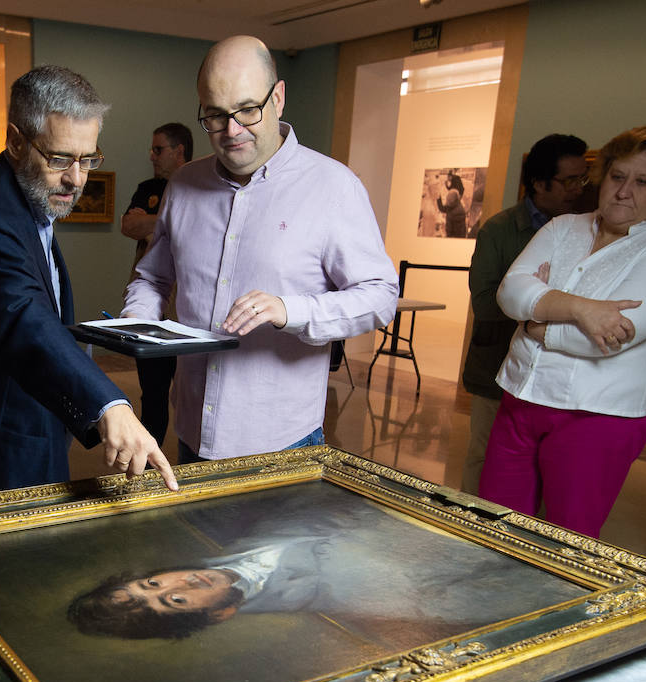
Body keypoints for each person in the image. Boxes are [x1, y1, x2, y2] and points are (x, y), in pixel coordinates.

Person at [123, 36, 397, 463]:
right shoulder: (183, 185)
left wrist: (292, 310)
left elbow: (381, 296)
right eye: (215, 115)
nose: (232, 131)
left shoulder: (334, 186)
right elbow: (153, 277)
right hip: (193, 430)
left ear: (279, 97)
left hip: (283, 440)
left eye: (248, 110)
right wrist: (137, 320)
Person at [0, 66, 177, 498]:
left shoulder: (26, 200)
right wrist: (110, 405)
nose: (77, 178)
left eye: (88, 159)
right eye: (59, 159)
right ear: (16, 140)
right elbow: (24, 318)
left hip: (33, 424)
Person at [478, 126, 646, 538]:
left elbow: (611, 339)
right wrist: (581, 308)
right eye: (617, 176)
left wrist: (536, 320)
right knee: (493, 529)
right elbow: (510, 292)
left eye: (643, 182)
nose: (624, 191)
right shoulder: (562, 228)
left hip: (598, 415)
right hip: (521, 398)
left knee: (566, 540)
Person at [66, 482, 583, 642]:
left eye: (152, 581)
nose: (179, 581)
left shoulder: (231, 524)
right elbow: (549, 594)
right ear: (218, 614)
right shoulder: (357, 595)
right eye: (175, 599)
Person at [460, 133, 589, 494]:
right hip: (496, 367)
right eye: (569, 180)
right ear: (538, 183)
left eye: (583, 178)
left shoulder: (585, 232)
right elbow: (484, 304)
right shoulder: (500, 230)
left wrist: (539, 300)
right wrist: (541, 302)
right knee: (485, 459)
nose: (578, 188)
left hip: (556, 370)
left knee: (548, 470)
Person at [120, 122, 192, 444]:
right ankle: (150, 460)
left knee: (191, 392)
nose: (152, 156)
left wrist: (154, 225)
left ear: (179, 151)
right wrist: (168, 224)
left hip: (186, 310)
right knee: (153, 392)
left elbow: (181, 230)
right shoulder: (147, 187)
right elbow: (129, 225)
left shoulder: (197, 187)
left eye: (158, 149)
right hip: (149, 300)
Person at [436, 171, 467, 238]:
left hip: (453, 237)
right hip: (461, 235)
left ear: (450, 176)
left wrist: (438, 198)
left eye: (448, 178)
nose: (448, 179)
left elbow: (442, 208)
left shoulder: (450, 210)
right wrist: (447, 185)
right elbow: (451, 189)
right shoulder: (460, 208)